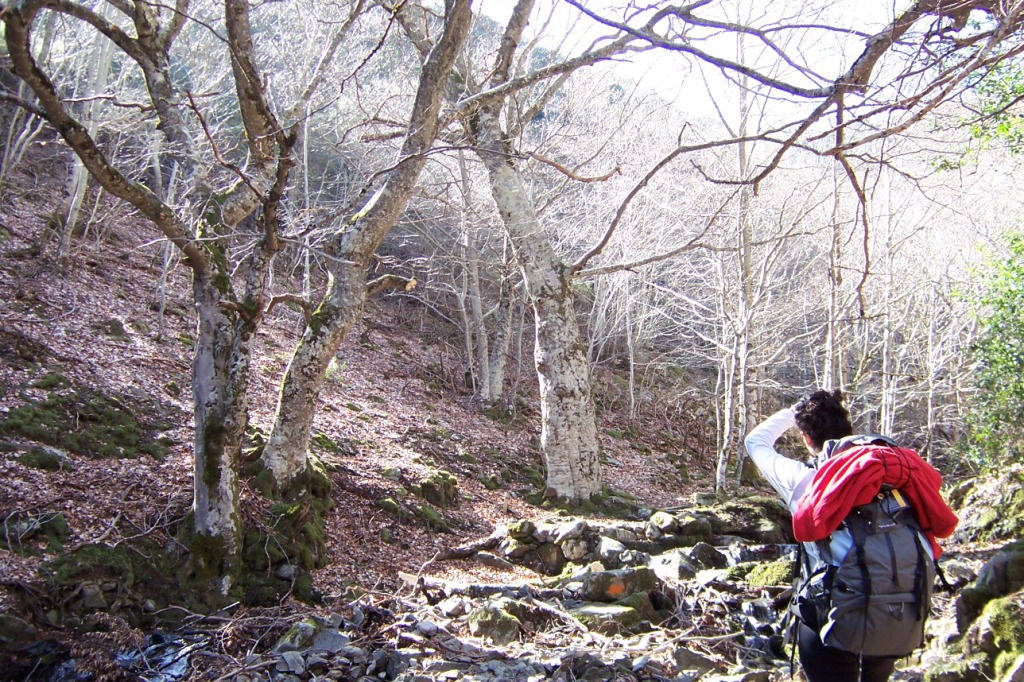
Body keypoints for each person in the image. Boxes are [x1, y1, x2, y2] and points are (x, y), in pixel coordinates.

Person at [743, 389, 902, 682]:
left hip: (834, 613)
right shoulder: (887, 471)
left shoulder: (803, 477)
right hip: (896, 610)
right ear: (848, 429)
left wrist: (795, 412)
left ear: (806, 438)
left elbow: (755, 441)